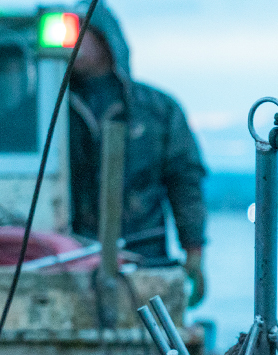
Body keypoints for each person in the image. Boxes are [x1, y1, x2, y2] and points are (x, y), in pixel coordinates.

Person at [68, 1, 209, 306]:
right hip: (70, 259)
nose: (69, 39)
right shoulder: (48, 113)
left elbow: (185, 182)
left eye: (78, 29)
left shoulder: (157, 110)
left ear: (106, 39)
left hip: (146, 256)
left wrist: (194, 252)